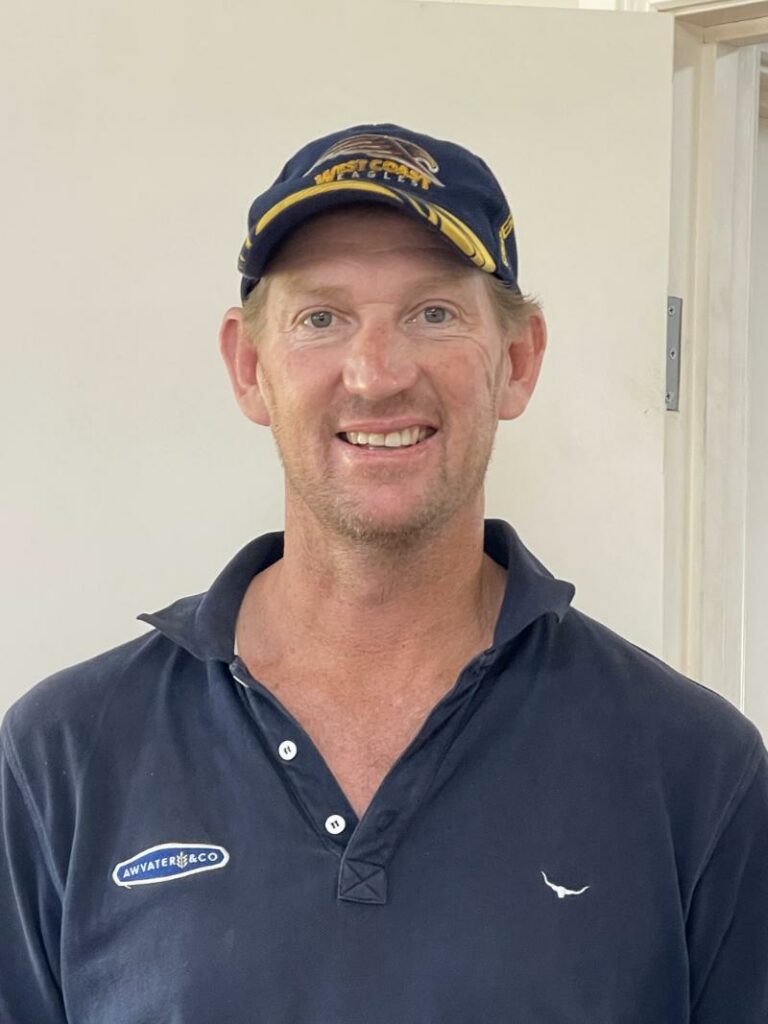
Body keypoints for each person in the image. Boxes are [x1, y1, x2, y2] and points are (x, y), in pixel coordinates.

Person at [2, 123, 767, 1024]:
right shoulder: (62, 757)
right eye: (321, 318)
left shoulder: (695, 769)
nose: (374, 375)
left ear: (518, 362)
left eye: (433, 313)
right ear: (249, 368)